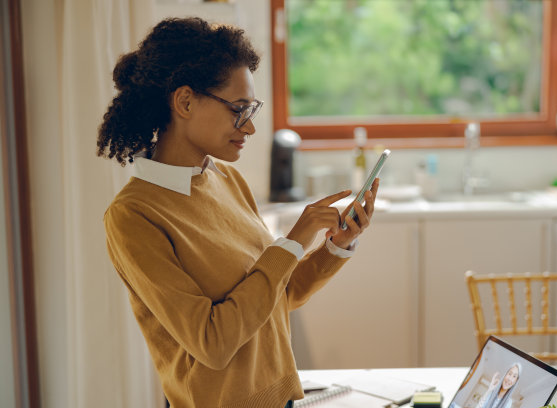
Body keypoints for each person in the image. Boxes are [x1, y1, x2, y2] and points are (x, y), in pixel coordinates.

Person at [97, 17, 378, 408]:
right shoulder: (134, 216)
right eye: (238, 110)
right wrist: (293, 240)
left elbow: (278, 296)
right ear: (185, 101)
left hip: (283, 399)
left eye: (251, 111)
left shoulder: (227, 179)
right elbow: (213, 343)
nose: (249, 129)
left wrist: (335, 247)